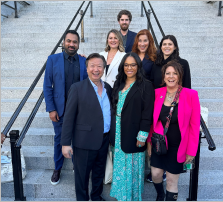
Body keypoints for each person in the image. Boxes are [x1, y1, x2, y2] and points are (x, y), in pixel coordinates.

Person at [61, 53, 112, 201]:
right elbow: (68, 117)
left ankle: (96, 196)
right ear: (87, 68)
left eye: (99, 66)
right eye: (92, 66)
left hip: (104, 140)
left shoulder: (108, 87)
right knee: (82, 176)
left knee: (98, 173)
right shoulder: (77, 88)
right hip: (84, 142)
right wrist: (65, 143)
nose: (96, 69)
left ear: (104, 68)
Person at [147, 60, 200, 201]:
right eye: (168, 73)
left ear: (179, 76)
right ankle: (160, 194)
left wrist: (191, 151)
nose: (171, 76)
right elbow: (152, 122)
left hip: (178, 146)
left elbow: (194, 125)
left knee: (171, 180)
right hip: (159, 143)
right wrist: (149, 143)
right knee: (156, 174)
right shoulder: (156, 93)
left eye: (174, 73)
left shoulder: (191, 95)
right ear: (163, 77)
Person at [43, 30, 88, 185]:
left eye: (74, 42)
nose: (71, 44)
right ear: (63, 42)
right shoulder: (52, 60)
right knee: (59, 139)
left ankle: (77, 165)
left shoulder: (84, 61)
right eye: (68, 41)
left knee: (78, 139)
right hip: (59, 110)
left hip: (79, 110)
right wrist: (51, 109)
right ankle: (57, 168)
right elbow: (47, 86)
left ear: (78, 44)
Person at [109, 52, 155, 201]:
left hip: (134, 134)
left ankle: (131, 198)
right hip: (118, 133)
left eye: (133, 65)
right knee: (120, 170)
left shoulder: (146, 85)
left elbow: (147, 113)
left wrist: (142, 135)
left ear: (138, 66)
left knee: (131, 171)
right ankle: (122, 197)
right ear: (123, 67)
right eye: (126, 65)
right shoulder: (119, 83)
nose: (129, 68)